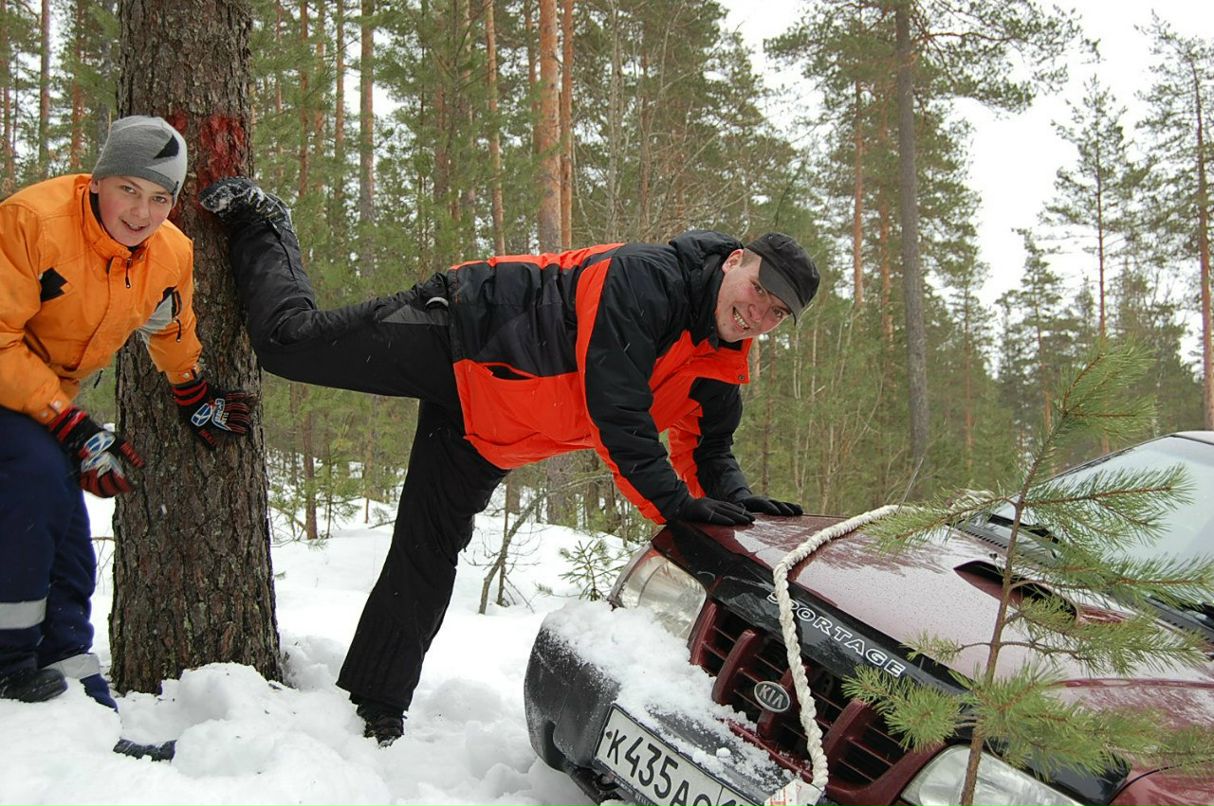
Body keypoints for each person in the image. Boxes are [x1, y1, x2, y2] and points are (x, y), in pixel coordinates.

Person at [198, 176, 820, 746]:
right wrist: (677, 507)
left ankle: (372, 705)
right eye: (758, 290)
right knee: (289, 343)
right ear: (735, 260)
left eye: (776, 312)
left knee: (427, 550)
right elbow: (617, 413)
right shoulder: (645, 278)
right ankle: (264, 222)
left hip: (491, 427)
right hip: (462, 334)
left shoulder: (718, 361)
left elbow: (708, 449)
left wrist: (738, 509)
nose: (758, 314)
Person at [0, 116, 253, 718]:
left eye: (161, 197)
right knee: (36, 477)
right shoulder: (32, 222)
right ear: (98, 182)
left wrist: (191, 393)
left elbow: (169, 326)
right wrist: (69, 424)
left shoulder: (170, 254)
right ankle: (9, 667)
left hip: (40, 395)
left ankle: (68, 672)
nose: (143, 213)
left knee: (66, 535)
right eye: (129, 190)